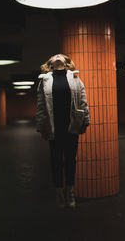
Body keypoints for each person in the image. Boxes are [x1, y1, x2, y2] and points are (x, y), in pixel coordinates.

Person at [36, 54, 90, 208]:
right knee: (56, 160)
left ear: (66, 63)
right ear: (50, 63)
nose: (58, 56)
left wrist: (85, 121)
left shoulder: (75, 78)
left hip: (71, 125)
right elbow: (40, 106)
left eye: (61, 56)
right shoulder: (44, 80)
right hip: (54, 126)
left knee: (70, 160)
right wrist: (41, 126)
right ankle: (59, 192)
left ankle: (70, 191)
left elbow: (83, 101)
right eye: (54, 56)